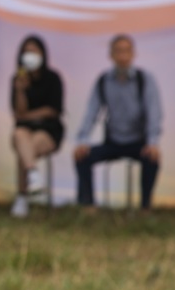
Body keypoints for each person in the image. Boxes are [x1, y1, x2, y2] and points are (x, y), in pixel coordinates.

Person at [72, 34, 163, 210]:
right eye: (118, 51)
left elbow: (154, 113)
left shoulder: (144, 80)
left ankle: (145, 207)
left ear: (133, 54)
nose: (123, 56)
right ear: (111, 55)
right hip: (113, 141)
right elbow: (91, 113)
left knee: (152, 159)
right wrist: (82, 140)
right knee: (82, 157)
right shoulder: (103, 81)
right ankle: (88, 206)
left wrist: (153, 142)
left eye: (126, 51)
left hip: (138, 142)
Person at [10, 34, 65, 219]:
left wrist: (28, 116)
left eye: (34, 51)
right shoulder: (18, 80)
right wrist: (20, 90)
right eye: (26, 51)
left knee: (26, 148)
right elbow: (18, 112)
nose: (30, 55)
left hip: (48, 130)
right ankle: (33, 174)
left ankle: (22, 196)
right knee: (20, 136)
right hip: (24, 130)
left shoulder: (52, 78)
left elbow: (53, 110)